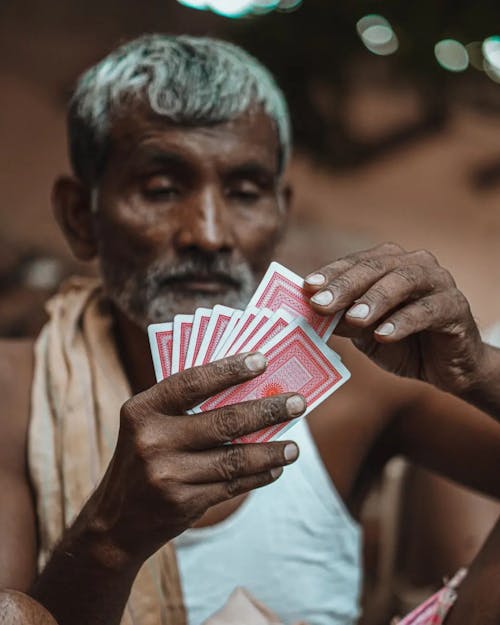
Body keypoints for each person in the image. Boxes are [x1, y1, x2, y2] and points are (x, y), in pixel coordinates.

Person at [0, 34, 499, 625]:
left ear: (280, 212)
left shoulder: (361, 383)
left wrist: (479, 371)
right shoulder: (12, 394)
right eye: (162, 189)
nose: (210, 233)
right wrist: (109, 539)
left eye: (244, 192)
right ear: (81, 216)